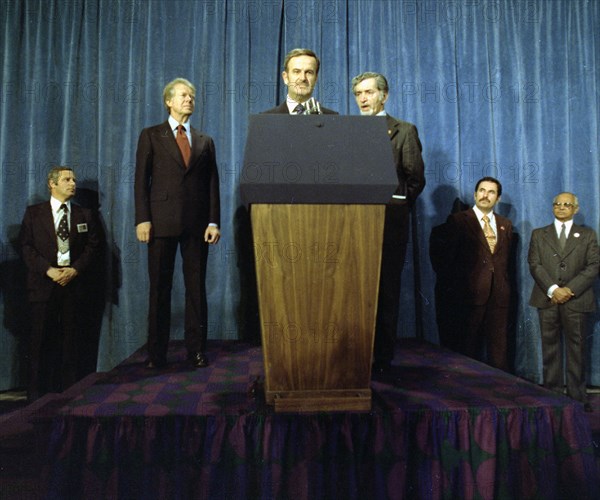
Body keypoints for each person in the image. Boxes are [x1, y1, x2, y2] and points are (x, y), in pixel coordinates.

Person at [135, 77, 221, 369]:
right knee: (159, 289)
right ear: (168, 101)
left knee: (196, 290)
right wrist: (143, 219)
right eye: (184, 96)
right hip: (159, 225)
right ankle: (156, 354)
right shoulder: (151, 135)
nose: (189, 100)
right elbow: (140, 182)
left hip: (197, 227)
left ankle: (196, 350)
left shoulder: (204, 140)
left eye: (192, 96)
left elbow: (212, 184)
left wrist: (213, 222)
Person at [351, 71, 425, 373]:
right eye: (359, 94)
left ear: (384, 95)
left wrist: (393, 202)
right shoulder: (347, 131)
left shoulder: (403, 130)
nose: (363, 99)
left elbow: (415, 179)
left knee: (385, 292)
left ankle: (381, 360)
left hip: (388, 225)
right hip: (351, 225)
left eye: (369, 92)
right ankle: (354, 355)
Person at [18, 166, 101, 400]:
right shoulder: (34, 214)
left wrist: (74, 270)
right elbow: (26, 247)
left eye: (74, 179)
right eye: (67, 179)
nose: (72, 183)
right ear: (52, 184)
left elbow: (93, 247)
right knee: (40, 341)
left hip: (74, 286)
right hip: (44, 285)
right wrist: (49, 271)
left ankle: (70, 394)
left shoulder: (85, 214)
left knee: (71, 341)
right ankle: (36, 396)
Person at [528, 192, 599, 412]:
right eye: (557, 204)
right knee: (550, 349)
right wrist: (553, 290)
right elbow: (534, 264)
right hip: (547, 299)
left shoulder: (587, 235)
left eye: (566, 204)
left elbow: (593, 266)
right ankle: (552, 396)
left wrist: (569, 290)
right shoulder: (539, 234)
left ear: (575, 209)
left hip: (576, 300)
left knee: (577, 350)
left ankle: (578, 398)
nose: (561, 207)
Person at [443, 177, 513, 371]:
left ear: (497, 199)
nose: (485, 195)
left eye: (491, 192)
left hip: (499, 295)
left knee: (499, 351)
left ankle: (499, 390)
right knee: (467, 347)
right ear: (475, 195)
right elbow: (447, 261)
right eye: (482, 190)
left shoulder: (505, 224)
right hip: (469, 295)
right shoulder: (458, 220)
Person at [263, 48, 337, 114]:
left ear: (316, 79)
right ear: (285, 78)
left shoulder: (331, 118)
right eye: (296, 71)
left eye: (309, 72)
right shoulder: (265, 120)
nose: (303, 78)